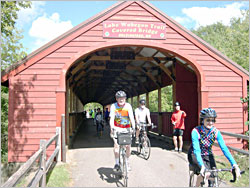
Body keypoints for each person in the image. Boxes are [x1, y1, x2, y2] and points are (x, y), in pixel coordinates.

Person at [188, 108, 241, 187]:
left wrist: (234, 164)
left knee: (214, 175)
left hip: (207, 154)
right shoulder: (196, 131)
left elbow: (224, 149)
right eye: (208, 120)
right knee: (205, 173)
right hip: (195, 154)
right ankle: (196, 186)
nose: (211, 123)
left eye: (213, 120)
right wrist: (202, 166)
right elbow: (197, 150)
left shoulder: (216, 132)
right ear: (202, 120)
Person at [109, 90, 135, 172]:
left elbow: (131, 117)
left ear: (125, 99)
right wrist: (112, 127)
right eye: (119, 98)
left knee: (128, 146)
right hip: (117, 128)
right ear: (116, 99)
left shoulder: (128, 106)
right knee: (116, 145)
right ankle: (117, 163)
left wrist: (133, 127)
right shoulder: (113, 106)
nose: (121, 99)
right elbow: (112, 118)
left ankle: (127, 162)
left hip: (127, 128)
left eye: (123, 98)